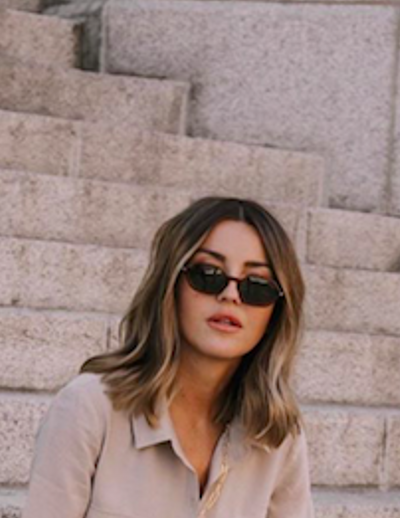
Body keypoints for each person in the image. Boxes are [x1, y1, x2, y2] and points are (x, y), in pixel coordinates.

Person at [22, 196, 313, 517]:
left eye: (257, 285)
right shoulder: (89, 407)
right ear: (170, 285)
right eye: (208, 273)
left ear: (277, 310)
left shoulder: (276, 434)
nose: (230, 295)